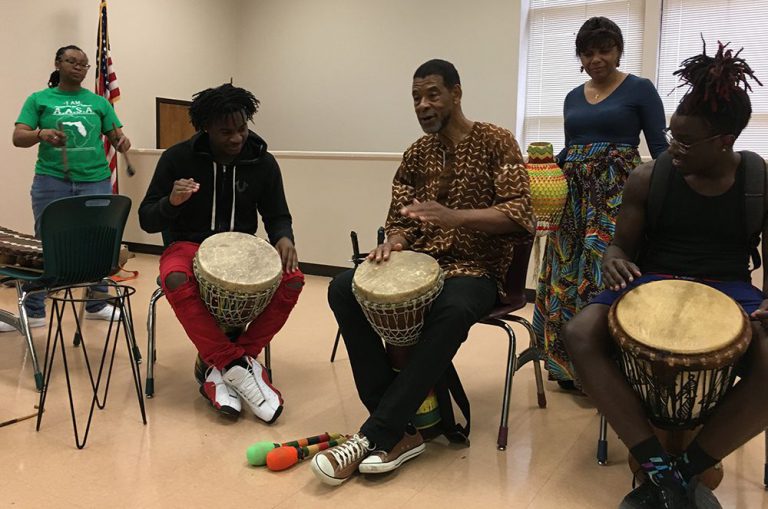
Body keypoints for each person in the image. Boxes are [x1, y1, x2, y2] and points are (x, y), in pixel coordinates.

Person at [313, 59, 535, 486]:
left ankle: (378, 433)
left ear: (456, 93)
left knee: (451, 310)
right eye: (416, 97)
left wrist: (456, 217)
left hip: (476, 270)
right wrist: (394, 241)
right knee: (343, 288)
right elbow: (400, 219)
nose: (422, 105)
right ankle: (400, 425)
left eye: (432, 94)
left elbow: (518, 214)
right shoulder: (416, 154)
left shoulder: (496, 141)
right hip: (420, 263)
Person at [563, 41, 765, 508]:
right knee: (579, 333)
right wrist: (613, 258)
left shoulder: (758, 182)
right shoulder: (649, 177)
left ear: (725, 141)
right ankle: (657, 465)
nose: (673, 147)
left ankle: (687, 469)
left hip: (730, 288)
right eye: (671, 135)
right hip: (652, 280)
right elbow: (620, 246)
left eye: (686, 142)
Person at [138, 84, 303, 423]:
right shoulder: (177, 159)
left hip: (243, 248)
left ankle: (225, 365)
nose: (237, 137)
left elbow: (277, 215)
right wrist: (171, 202)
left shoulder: (263, 162)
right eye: (226, 132)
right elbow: (146, 219)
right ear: (206, 129)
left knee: (293, 279)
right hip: (187, 245)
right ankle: (236, 365)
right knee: (175, 277)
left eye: (242, 128)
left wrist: (284, 237)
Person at [533, 17, 669, 388]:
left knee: (603, 274)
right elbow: (572, 149)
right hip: (573, 201)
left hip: (615, 198)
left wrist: (670, 198)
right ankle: (566, 366)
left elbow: (660, 149)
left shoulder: (640, 89)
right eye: (587, 53)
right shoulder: (572, 97)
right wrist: (543, 168)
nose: (596, 59)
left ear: (618, 50)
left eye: (604, 50)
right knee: (565, 275)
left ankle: (606, 371)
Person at [2, 45, 131, 333]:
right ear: (58, 63)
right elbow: (18, 137)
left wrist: (123, 142)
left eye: (84, 64)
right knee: (45, 242)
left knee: (99, 240)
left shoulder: (99, 102)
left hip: (95, 179)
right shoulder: (39, 99)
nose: (78, 67)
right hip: (52, 180)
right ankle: (34, 311)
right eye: (72, 61)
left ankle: (97, 303)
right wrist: (41, 133)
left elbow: (119, 138)